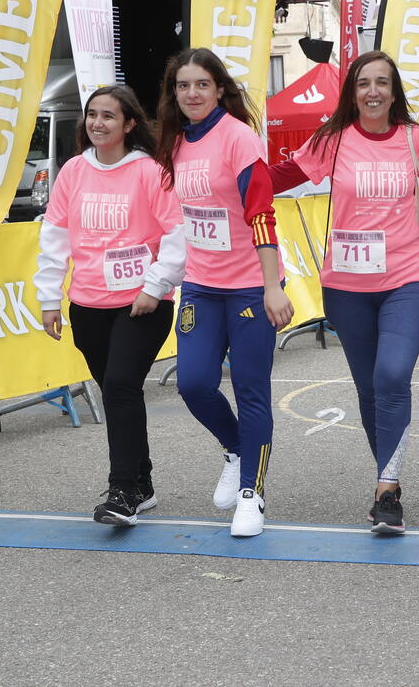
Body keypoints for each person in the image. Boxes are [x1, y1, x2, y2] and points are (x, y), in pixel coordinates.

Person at [268, 51, 419, 534]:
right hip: (346, 287)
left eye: (382, 82)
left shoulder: (415, 140)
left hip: (406, 280)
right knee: (368, 389)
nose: (373, 91)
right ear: (352, 92)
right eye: (364, 83)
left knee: (392, 376)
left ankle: (386, 488)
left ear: (394, 90)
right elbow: (285, 176)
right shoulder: (334, 139)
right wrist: (232, 179)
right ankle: (388, 481)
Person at [154, 47, 294, 538]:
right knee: (193, 383)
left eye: (202, 84)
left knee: (252, 390)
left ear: (219, 89)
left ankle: (252, 493)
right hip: (201, 285)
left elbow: (261, 214)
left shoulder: (238, 138)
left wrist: (272, 286)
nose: (192, 94)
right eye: (183, 85)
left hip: (250, 287)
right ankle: (236, 449)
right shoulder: (174, 142)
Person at [35, 85, 185, 526]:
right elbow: (54, 237)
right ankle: (142, 481)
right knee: (120, 393)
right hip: (87, 305)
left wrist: (154, 286)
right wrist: (49, 297)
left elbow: (177, 233)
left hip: (142, 304)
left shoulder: (150, 171)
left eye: (108, 116)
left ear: (129, 123)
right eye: (92, 115)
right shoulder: (73, 171)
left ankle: (122, 491)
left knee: (119, 386)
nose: (97, 123)